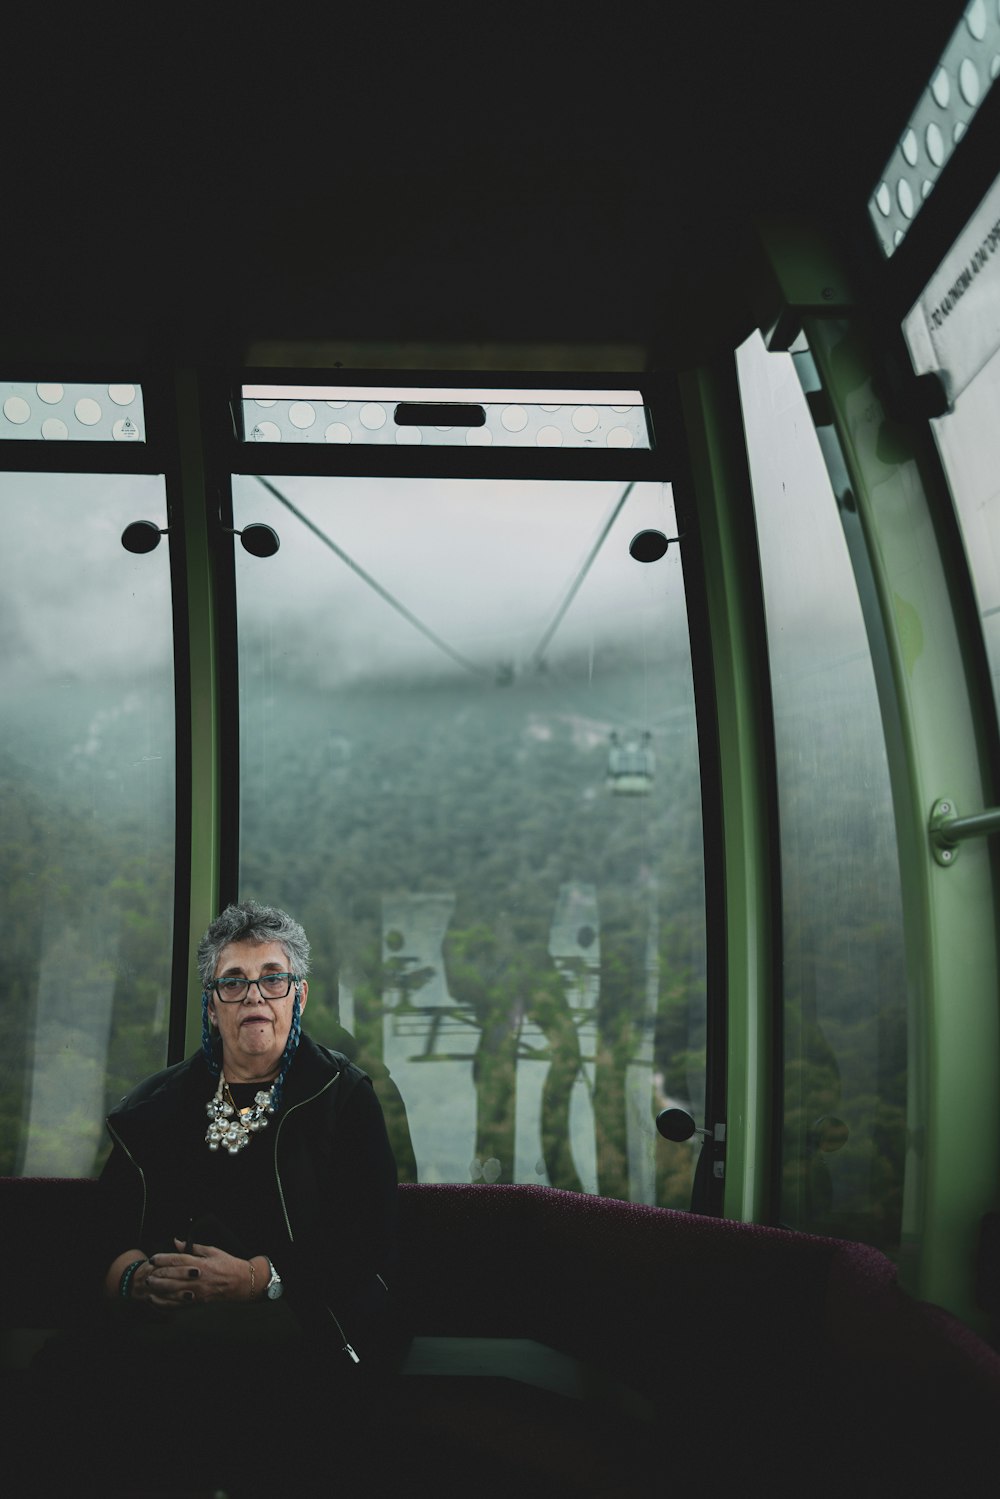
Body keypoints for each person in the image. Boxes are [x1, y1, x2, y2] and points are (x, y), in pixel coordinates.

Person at [33, 899, 403, 1497]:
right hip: (169, 1317)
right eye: (233, 982)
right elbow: (97, 1233)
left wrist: (256, 1279)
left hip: (302, 1319)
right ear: (212, 1004)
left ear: (298, 998)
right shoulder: (156, 1108)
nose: (254, 996)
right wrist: (136, 1280)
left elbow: (369, 1240)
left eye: (272, 978)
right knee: (65, 1370)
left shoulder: (343, 1096)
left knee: (234, 1379)